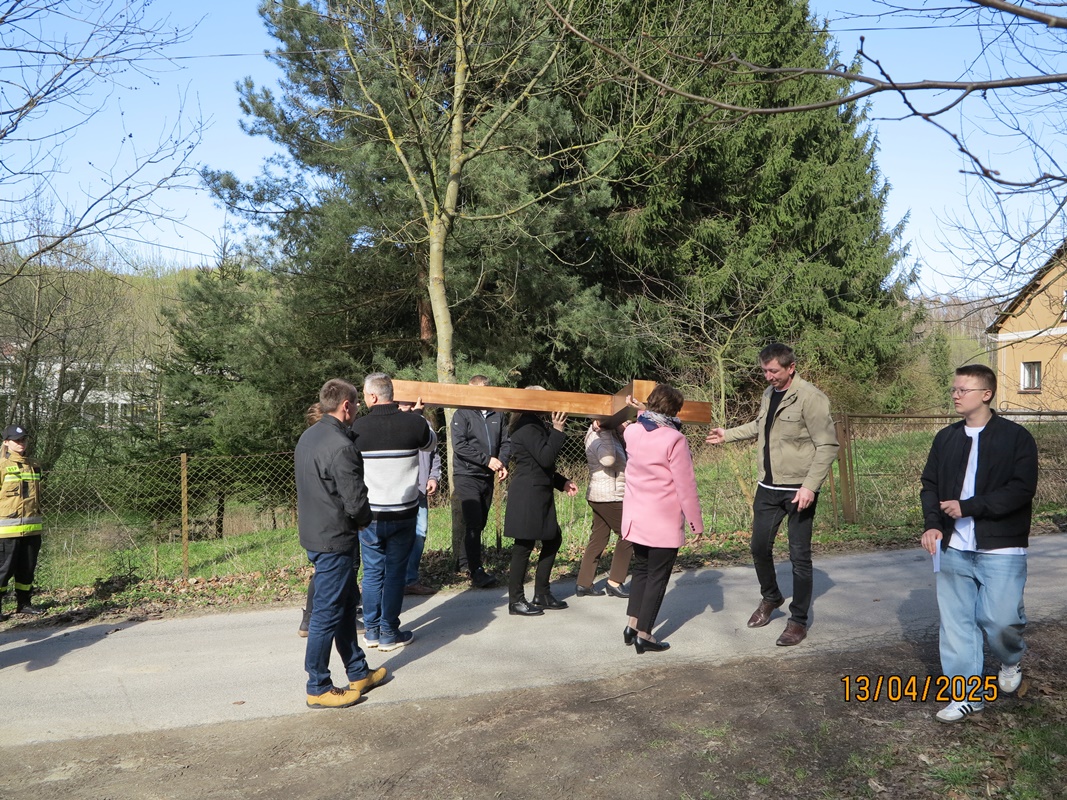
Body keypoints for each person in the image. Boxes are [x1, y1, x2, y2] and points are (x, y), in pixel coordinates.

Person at [920, 364, 1038, 723]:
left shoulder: (1016, 438)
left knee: (1001, 621)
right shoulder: (946, 438)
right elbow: (930, 486)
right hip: (954, 547)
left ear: (986, 394)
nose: (956, 395)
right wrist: (933, 525)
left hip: (1001, 547)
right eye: (954, 389)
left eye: (963, 390)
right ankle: (966, 697)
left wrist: (969, 507)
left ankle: (1011, 659)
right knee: (956, 625)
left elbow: (1021, 490)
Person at [706, 343, 839, 647]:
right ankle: (771, 597)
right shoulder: (769, 393)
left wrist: (810, 486)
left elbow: (827, 445)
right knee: (758, 548)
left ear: (791, 367)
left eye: (773, 371)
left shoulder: (811, 398)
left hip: (799, 489)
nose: (768, 376)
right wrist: (728, 435)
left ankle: (798, 620)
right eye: (764, 371)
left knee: (799, 556)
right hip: (768, 486)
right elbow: (760, 425)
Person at [295, 379, 385, 709]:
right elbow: (355, 501)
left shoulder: (308, 436)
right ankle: (317, 685)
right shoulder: (341, 446)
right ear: (346, 406)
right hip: (334, 539)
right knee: (326, 614)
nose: (358, 409)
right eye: (356, 404)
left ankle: (358, 671)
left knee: (346, 604)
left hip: (316, 533)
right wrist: (365, 520)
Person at [350, 373, 437, 651]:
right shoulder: (415, 423)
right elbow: (431, 443)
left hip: (370, 516)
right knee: (395, 574)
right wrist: (417, 416)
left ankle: (372, 631)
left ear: (373, 396)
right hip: (403, 514)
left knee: (372, 574)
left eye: (365, 395)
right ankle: (389, 633)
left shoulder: (357, 427)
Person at [620, 385, 704, 653]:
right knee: (657, 577)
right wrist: (695, 523)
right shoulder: (675, 439)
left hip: (636, 518)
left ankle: (632, 626)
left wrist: (641, 411)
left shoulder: (632, 432)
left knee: (641, 571)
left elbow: (648, 425)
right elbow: (685, 485)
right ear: (675, 410)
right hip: (662, 521)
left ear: (651, 404)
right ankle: (645, 635)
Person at [503, 388, 578, 616]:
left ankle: (542, 594)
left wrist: (562, 482)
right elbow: (545, 458)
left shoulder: (533, 424)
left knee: (552, 538)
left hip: (538, 492)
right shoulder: (527, 425)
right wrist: (558, 430)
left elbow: (540, 464)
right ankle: (516, 601)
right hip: (528, 494)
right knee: (523, 546)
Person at [297, 401, 363, 638]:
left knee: (328, 571)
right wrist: (362, 518)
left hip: (316, 525)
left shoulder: (308, 443)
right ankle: (313, 620)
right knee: (338, 571)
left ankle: (320, 617)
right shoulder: (335, 446)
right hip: (334, 526)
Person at [450, 375, 512, 588]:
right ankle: (476, 571)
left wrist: (502, 463)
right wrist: (487, 460)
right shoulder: (462, 414)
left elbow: (505, 441)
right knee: (474, 521)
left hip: (487, 476)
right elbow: (460, 446)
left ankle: (464, 562)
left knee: (480, 522)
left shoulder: (498, 413)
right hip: (466, 475)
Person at [576, 419, 633, 598]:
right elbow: (608, 460)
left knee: (599, 537)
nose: (627, 422)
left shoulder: (612, 433)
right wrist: (606, 431)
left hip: (605, 495)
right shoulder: (597, 435)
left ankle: (584, 583)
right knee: (629, 534)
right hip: (608, 496)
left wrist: (621, 431)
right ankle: (615, 582)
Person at [397, 399, 441, 596]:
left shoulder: (426, 424)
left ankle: (410, 580)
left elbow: (434, 454)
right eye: (402, 400)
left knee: (419, 534)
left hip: (421, 491)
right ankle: (393, 581)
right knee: (398, 537)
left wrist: (433, 477)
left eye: (409, 400)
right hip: (399, 494)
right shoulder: (393, 422)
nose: (406, 403)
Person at [0, 424, 44, 618]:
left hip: (32, 529)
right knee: (3, 571)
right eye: (16, 440)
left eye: (23, 439)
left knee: (27, 570)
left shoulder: (34, 465)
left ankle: (24, 603)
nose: (21, 443)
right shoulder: (2, 465)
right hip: (6, 531)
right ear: (6, 442)